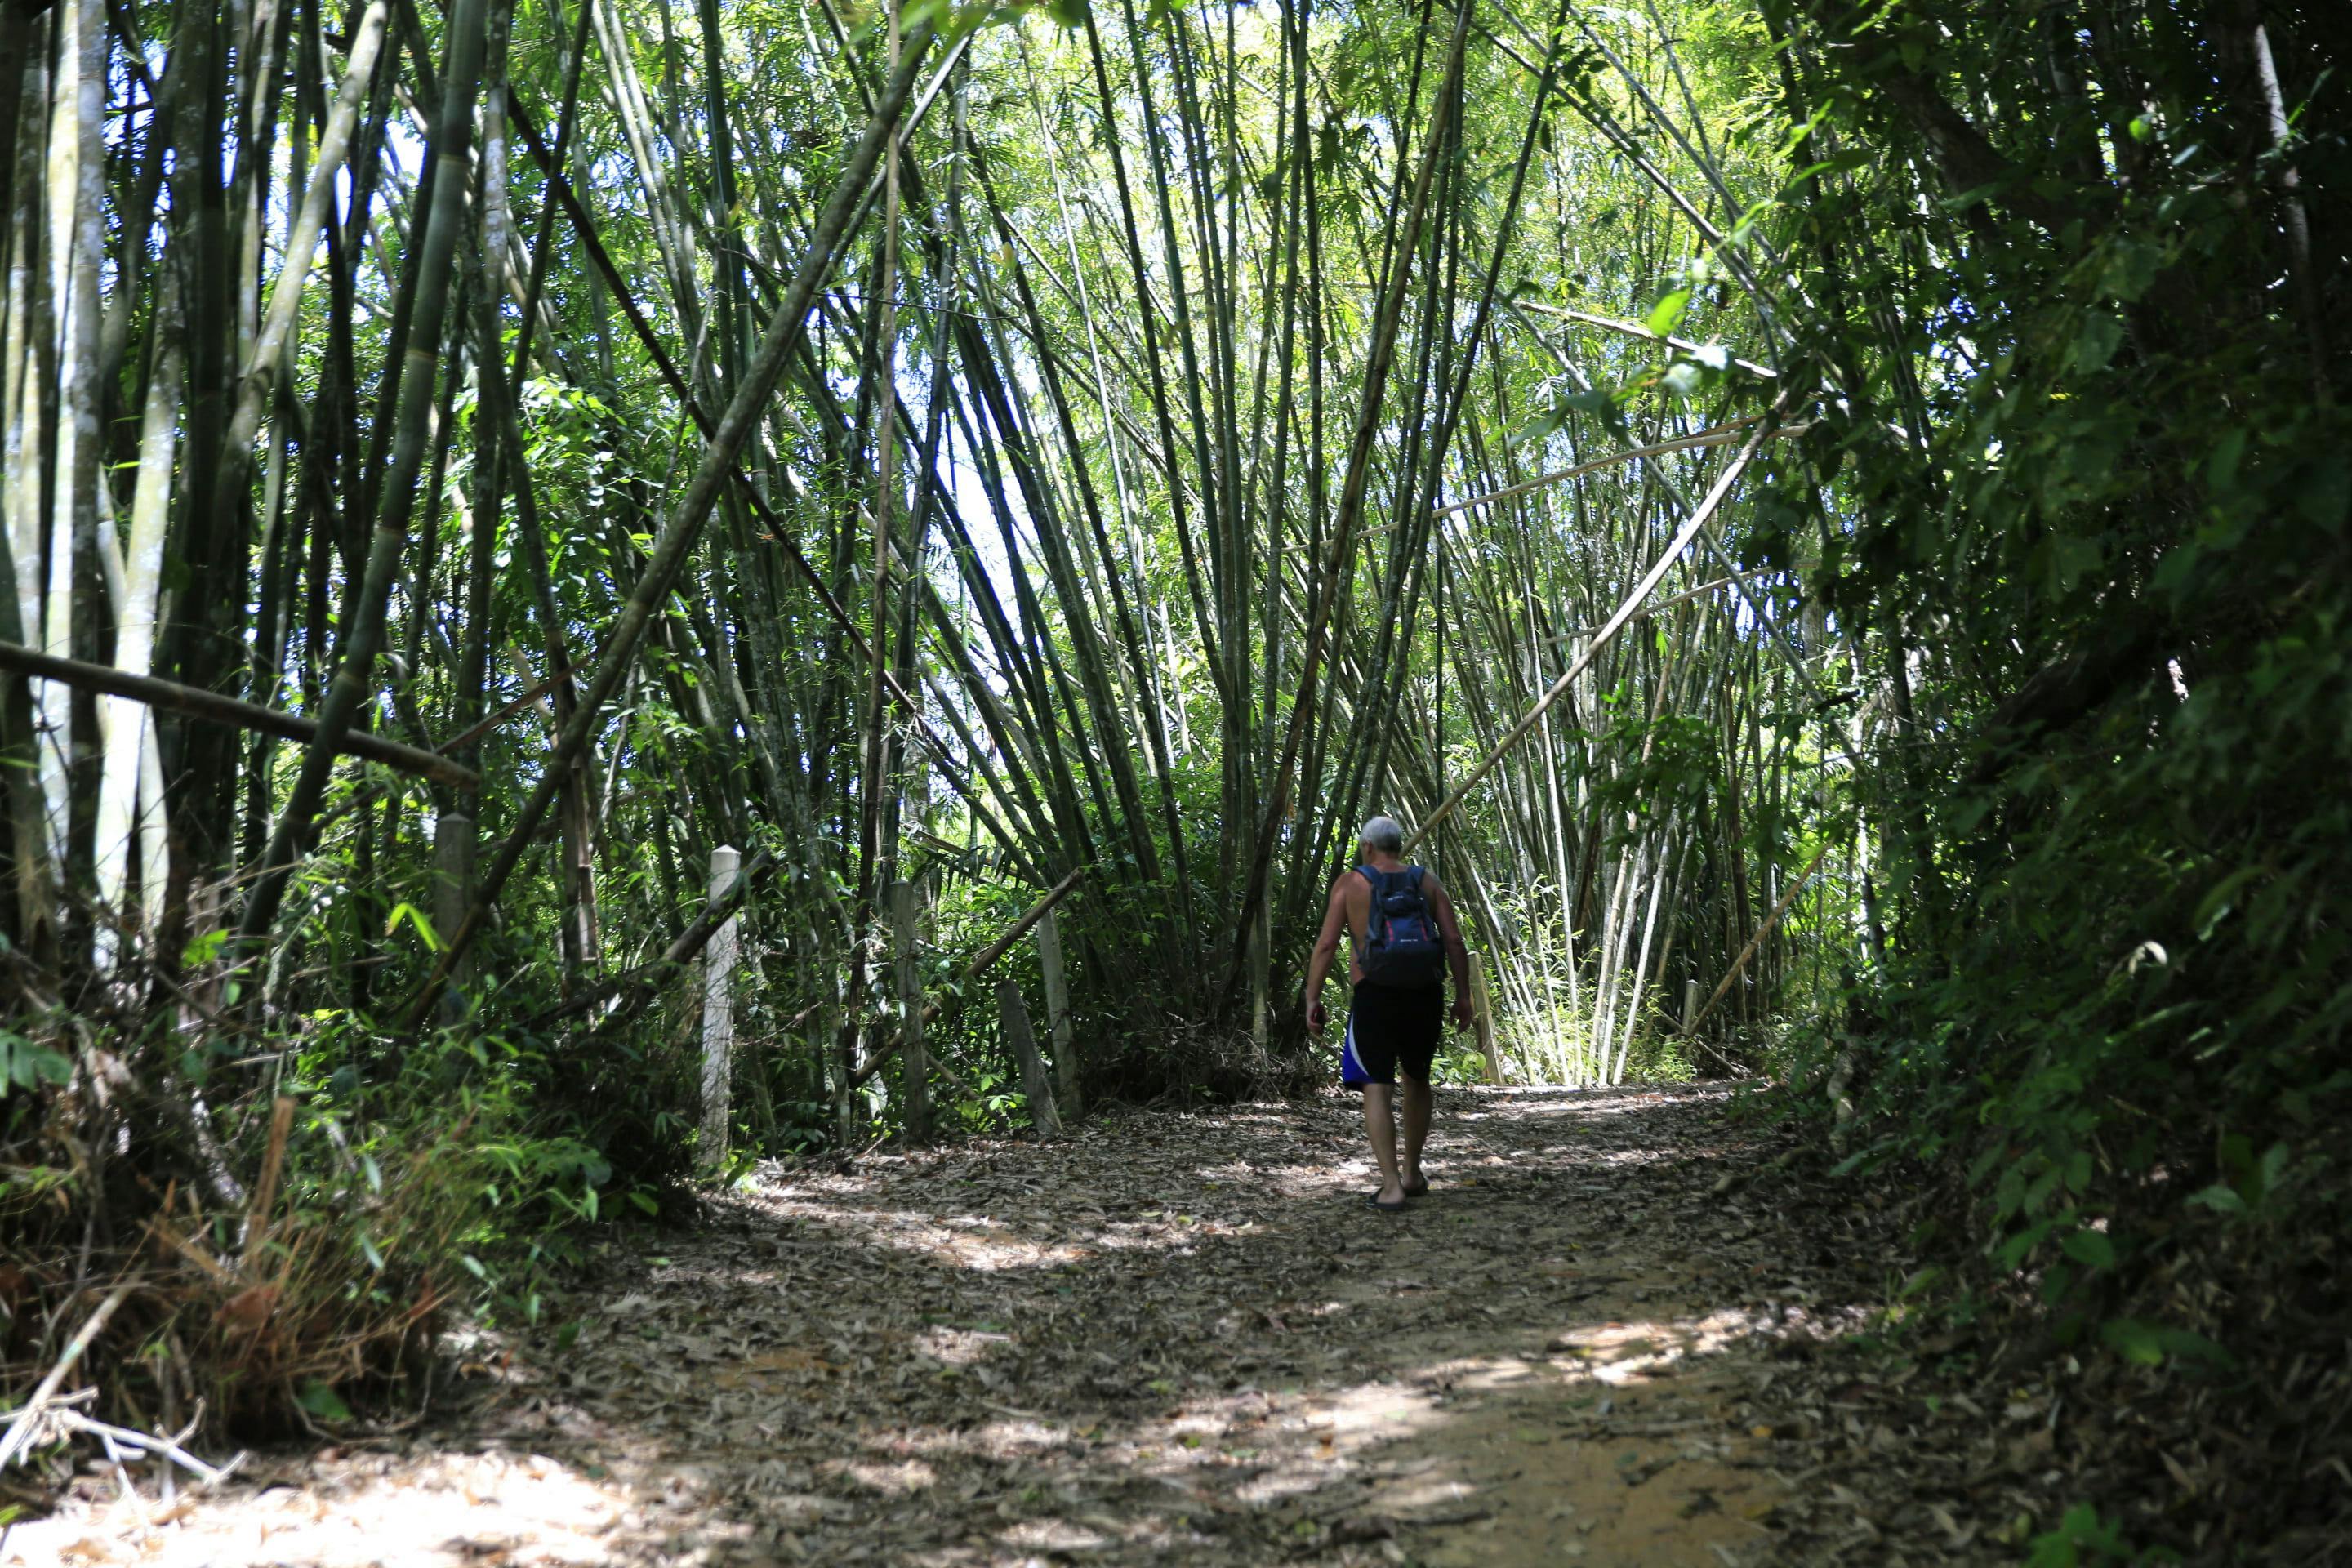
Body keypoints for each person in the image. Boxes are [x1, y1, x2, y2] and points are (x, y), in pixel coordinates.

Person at [1303, 815, 1473, 1211]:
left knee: (1376, 1086)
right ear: (1398, 847)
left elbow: (1327, 945)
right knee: (1416, 1079)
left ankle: (1392, 1186)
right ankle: (1413, 1173)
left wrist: (1312, 998)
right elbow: (1453, 939)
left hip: (1374, 996)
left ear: (1367, 847)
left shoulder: (1351, 883)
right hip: (1424, 993)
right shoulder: (1425, 881)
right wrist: (1463, 995)